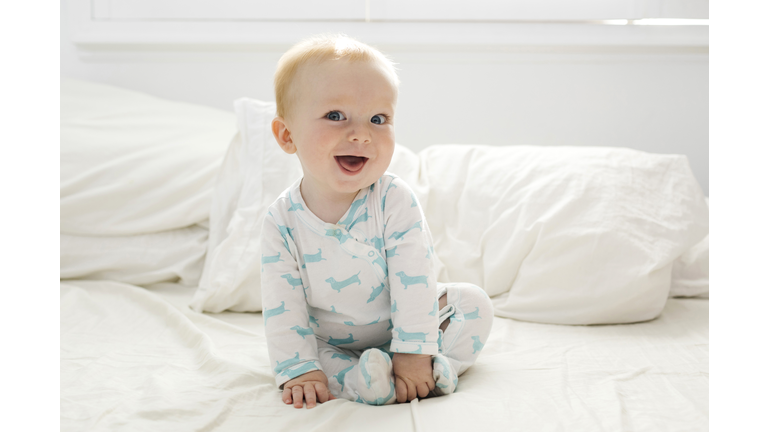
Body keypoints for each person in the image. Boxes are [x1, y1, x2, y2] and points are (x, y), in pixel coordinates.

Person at [261, 34, 493, 409]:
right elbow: (282, 306)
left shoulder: (393, 200)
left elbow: (415, 279)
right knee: (309, 360)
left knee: (474, 304)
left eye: (378, 119)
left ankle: (439, 365)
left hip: (407, 325)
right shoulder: (281, 221)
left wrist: (414, 351)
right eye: (335, 116)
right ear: (287, 135)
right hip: (331, 341)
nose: (360, 133)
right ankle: (362, 382)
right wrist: (299, 369)